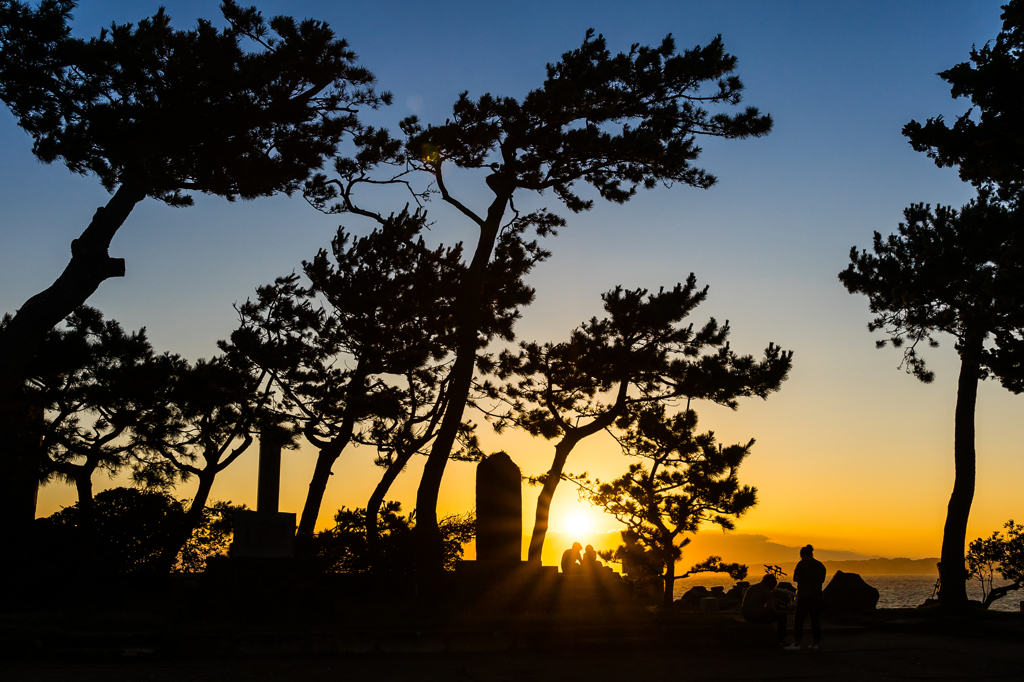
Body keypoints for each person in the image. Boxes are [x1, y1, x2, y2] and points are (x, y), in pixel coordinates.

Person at [784, 544, 827, 651]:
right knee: (815, 620)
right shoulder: (820, 565)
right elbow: (821, 580)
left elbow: (795, 578)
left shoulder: (801, 564)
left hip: (804, 596)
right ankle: (815, 643)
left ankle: (797, 643)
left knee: (798, 620)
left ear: (802, 554)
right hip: (816, 596)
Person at [741, 574, 791, 646]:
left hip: (746, 615)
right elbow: (770, 608)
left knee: (768, 615)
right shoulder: (766, 590)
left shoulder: (753, 587)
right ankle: (780, 640)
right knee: (782, 616)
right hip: (756, 616)